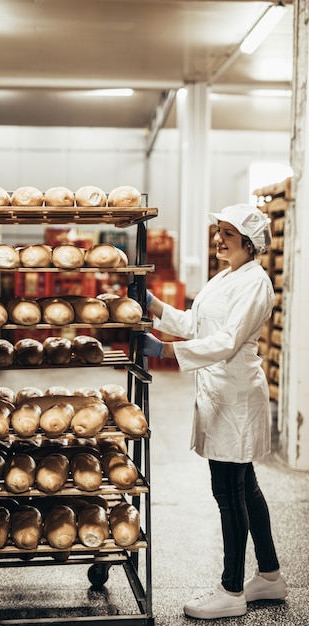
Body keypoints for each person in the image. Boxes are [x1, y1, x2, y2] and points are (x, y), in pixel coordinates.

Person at [139, 203, 287, 620]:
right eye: (218, 230)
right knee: (247, 486)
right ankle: (271, 576)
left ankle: (232, 590)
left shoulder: (255, 283)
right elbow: (196, 324)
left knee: (228, 492)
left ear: (249, 241)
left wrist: (166, 349)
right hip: (220, 394)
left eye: (227, 232)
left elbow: (225, 341)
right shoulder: (226, 276)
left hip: (236, 398)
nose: (218, 238)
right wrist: (155, 307)